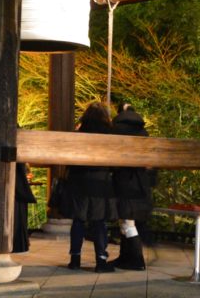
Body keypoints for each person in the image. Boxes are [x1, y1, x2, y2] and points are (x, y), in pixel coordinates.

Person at [60, 101, 117, 272]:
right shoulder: (110, 134)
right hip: (100, 182)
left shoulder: (79, 133)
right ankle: (101, 260)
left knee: (78, 220)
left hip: (79, 181)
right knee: (99, 221)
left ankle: (75, 259)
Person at [110, 102, 154, 271]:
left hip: (123, 179)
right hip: (140, 181)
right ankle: (126, 258)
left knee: (126, 222)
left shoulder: (116, 129)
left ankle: (136, 260)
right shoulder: (143, 132)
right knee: (128, 221)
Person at [12, 162, 35, 253]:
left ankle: (18, 244)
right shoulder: (20, 165)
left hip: (17, 196)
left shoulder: (21, 165)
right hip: (18, 195)